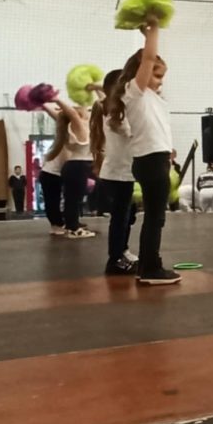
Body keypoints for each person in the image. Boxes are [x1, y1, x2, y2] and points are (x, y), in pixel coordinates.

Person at [110, 21, 179, 285]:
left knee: (154, 216)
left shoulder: (151, 98)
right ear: (142, 71)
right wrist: (153, 32)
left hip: (154, 158)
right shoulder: (135, 92)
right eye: (157, 76)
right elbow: (148, 58)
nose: (160, 82)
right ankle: (151, 268)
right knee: (155, 217)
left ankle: (147, 266)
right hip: (150, 161)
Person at [91, 69, 138, 275]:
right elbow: (132, 132)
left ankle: (122, 250)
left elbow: (107, 92)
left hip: (122, 172)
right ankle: (115, 259)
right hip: (117, 174)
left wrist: (95, 87)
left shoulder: (112, 108)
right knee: (120, 218)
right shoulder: (115, 113)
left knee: (128, 216)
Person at [45, 96, 96, 240]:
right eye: (83, 110)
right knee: (73, 200)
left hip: (75, 166)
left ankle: (72, 226)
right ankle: (73, 229)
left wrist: (43, 104)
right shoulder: (78, 126)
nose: (86, 110)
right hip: (78, 166)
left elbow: (59, 116)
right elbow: (72, 114)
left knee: (72, 199)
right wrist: (55, 99)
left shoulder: (67, 126)